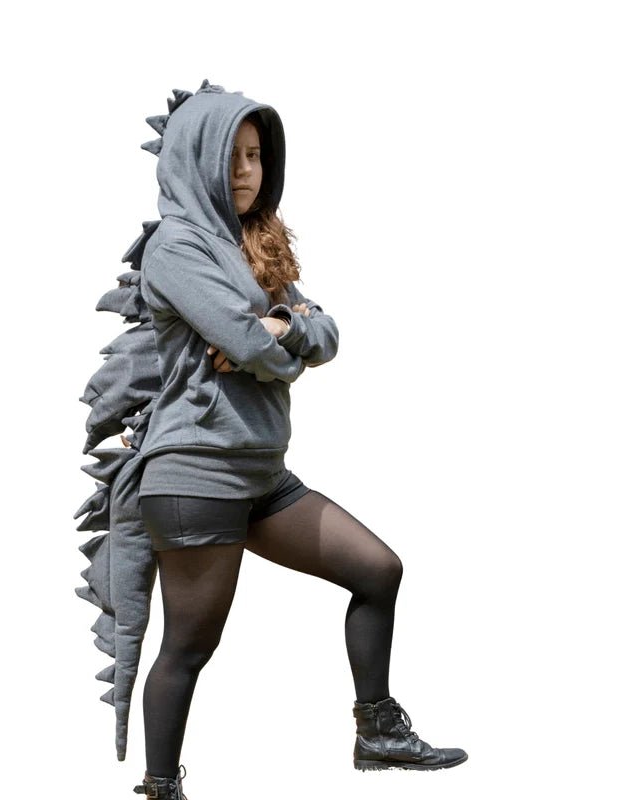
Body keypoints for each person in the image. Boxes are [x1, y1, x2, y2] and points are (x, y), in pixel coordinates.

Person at [129, 80, 467, 800]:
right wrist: (281, 340)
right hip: (196, 474)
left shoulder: (258, 244)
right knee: (189, 647)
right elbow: (254, 346)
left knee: (378, 570)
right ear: (196, 159)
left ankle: (376, 731)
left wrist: (281, 326)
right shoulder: (176, 248)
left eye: (256, 155)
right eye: (230, 156)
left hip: (260, 473)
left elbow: (321, 334)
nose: (246, 170)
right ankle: (161, 788)